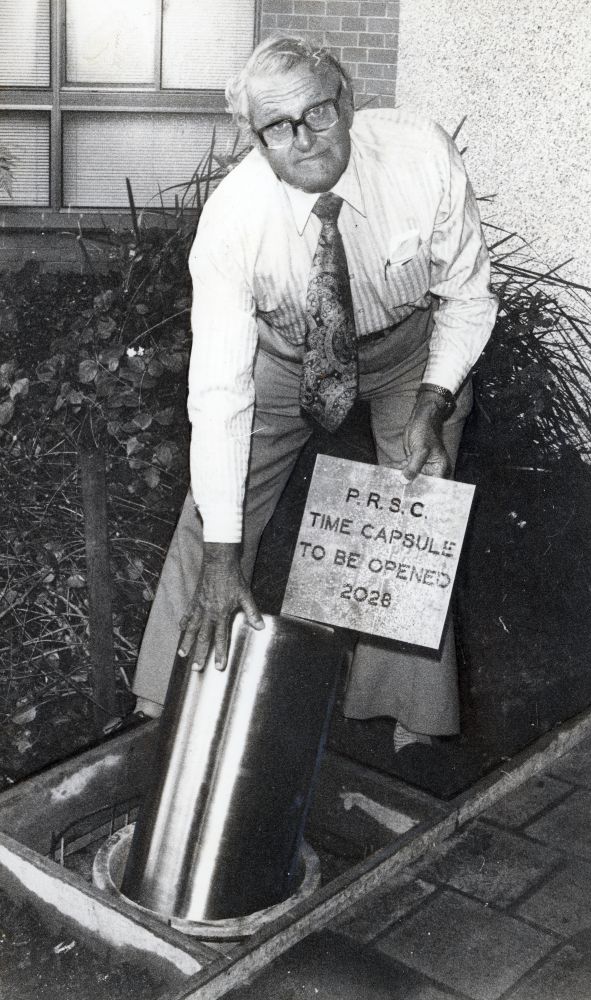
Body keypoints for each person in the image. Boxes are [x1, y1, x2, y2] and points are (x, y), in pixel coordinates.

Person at [132, 35, 498, 746]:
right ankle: (163, 700)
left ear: (348, 102)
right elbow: (219, 393)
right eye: (277, 127)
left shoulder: (419, 157)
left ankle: (403, 723)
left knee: (414, 499)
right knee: (215, 505)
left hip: (404, 348)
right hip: (284, 349)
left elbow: (467, 296)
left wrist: (433, 400)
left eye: (318, 113)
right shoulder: (234, 221)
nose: (303, 140)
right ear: (255, 138)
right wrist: (223, 553)